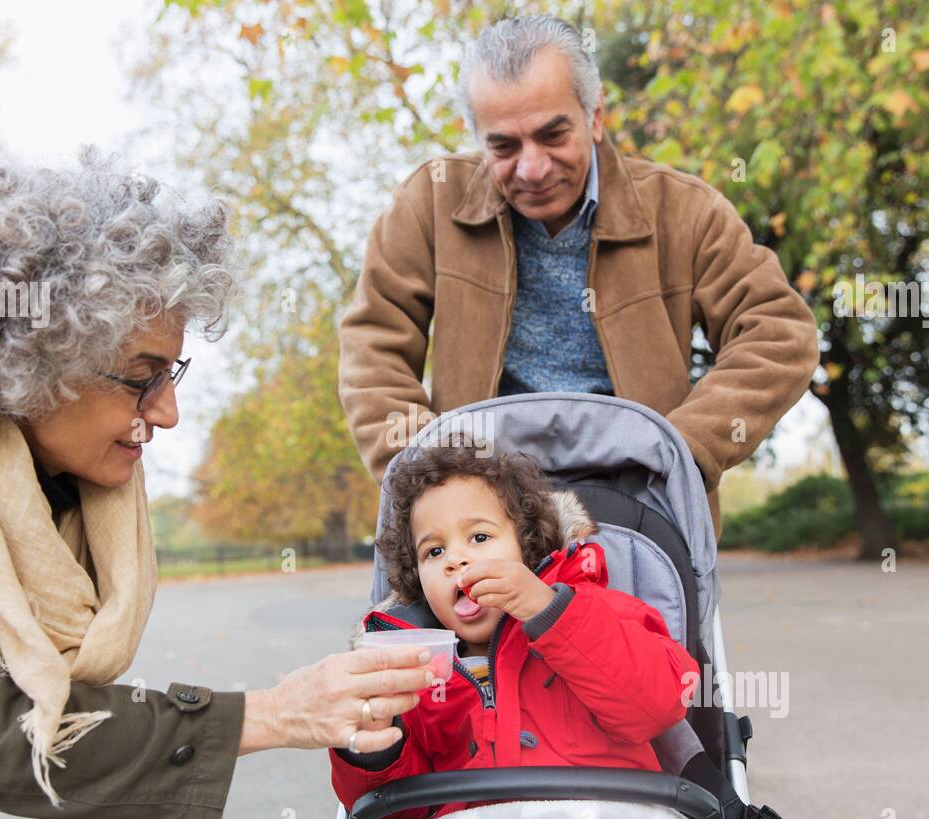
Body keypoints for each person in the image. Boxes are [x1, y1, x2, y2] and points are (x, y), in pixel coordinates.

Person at [0, 147, 430, 819]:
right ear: (30, 362)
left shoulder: (27, 448)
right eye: (141, 378)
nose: (169, 414)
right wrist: (273, 714)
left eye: (172, 372)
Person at [337, 15, 821, 540]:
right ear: (477, 137)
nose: (532, 168)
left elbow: (779, 333)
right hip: (479, 511)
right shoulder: (427, 203)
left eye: (552, 134)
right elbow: (372, 347)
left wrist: (679, 451)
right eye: (503, 146)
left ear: (595, 116)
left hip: (643, 508)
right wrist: (428, 480)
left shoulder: (685, 210)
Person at [328, 440, 699, 819]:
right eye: (434, 551)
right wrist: (374, 747)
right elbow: (393, 818)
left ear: (526, 546)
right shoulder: (415, 669)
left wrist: (548, 610)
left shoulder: (598, 610)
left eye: (480, 538)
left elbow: (660, 705)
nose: (455, 560)